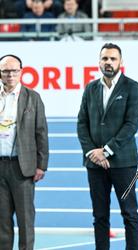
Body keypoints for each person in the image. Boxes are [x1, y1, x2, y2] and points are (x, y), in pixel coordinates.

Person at [77, 43, 138, 250]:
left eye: (113, 59)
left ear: (121, 62)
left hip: (124, 163)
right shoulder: (91, 88)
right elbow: (82, 123)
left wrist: (106, 151)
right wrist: (92, 153)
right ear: (99, 62)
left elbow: (131, 125)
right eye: (104, 58)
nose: (108, 62)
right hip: (95, 164)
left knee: (130, 215)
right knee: (100, 216)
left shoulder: (133, 87)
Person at [0, 54, 49, 249]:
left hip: (22, 167)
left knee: (25, 219)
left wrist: (41, 165)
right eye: (5, 71)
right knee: (2, 220)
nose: (9, 74)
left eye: (13, 70)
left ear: (21, 72)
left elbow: (41, 132)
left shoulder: (32, 97)